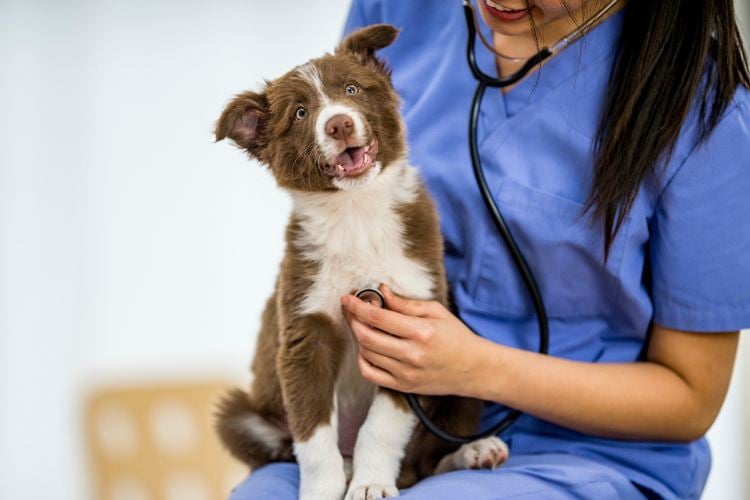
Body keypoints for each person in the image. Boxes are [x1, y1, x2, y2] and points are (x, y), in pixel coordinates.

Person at [229, 0, 750, 498]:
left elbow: (690, 397)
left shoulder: (704, 113)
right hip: (384, 424)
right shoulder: (398, 11)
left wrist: (474, 367)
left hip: (584, 452)